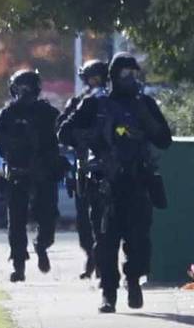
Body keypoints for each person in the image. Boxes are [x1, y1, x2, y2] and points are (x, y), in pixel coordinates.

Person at [57, 53, 172, 313]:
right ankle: (109, 292)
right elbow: (64, 132)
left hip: (136, 181)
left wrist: (147, 121)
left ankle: (134, 280)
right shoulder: (94, 105)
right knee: (106, 242)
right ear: (113, 76)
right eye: (124, 74)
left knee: (139, 241)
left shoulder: (144, 104)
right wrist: (91, 138)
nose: (130, 79)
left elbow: (164, 140)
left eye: (134, 73)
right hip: (104, 185)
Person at [0, 69, 63, 282]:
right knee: (16, 221)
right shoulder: (7, 114)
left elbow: (60, 136)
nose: (24, 93)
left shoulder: (48, 113)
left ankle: (42, 245)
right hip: (17, 171)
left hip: (43, 172)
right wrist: (14, 144)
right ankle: (18, 264)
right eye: (20, 88)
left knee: (48, 217)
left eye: (28, 88)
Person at [58, 59, 109, 279]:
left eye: (98, 77)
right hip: (85, 166)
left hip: (111, 166)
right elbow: (62, 129)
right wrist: (81, 138)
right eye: (91, 78)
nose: (94, 82)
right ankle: (92, 255)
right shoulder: (80, 102)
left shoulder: (112, 101)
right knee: (85, 218)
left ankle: (105, 259)